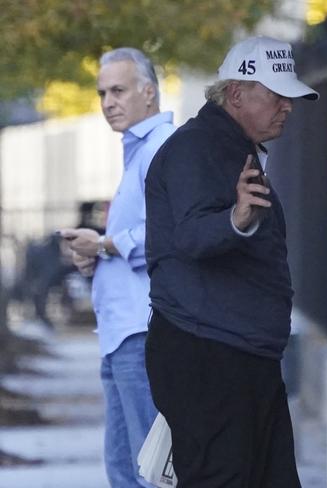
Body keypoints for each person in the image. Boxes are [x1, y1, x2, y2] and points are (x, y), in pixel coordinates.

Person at [144, 36, 318, 487]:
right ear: (236, 94)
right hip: (210, 355)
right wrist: (236, 220)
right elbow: (191, 236)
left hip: (239, 355)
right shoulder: (196, 148)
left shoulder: (229, 149)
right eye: (277, 95)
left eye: (290, 97)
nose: (288, 107)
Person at [60, 47, 175, 487]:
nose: (109, 102)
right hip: (120, 332)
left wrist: (105, 244)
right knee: (125, 468)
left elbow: (171, 236)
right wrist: (94, 256)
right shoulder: (137, 152)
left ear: (149, 92)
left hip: (142, 330)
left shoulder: (161, 149)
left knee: (148, 470)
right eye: (102, 93)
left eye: (119, 90)